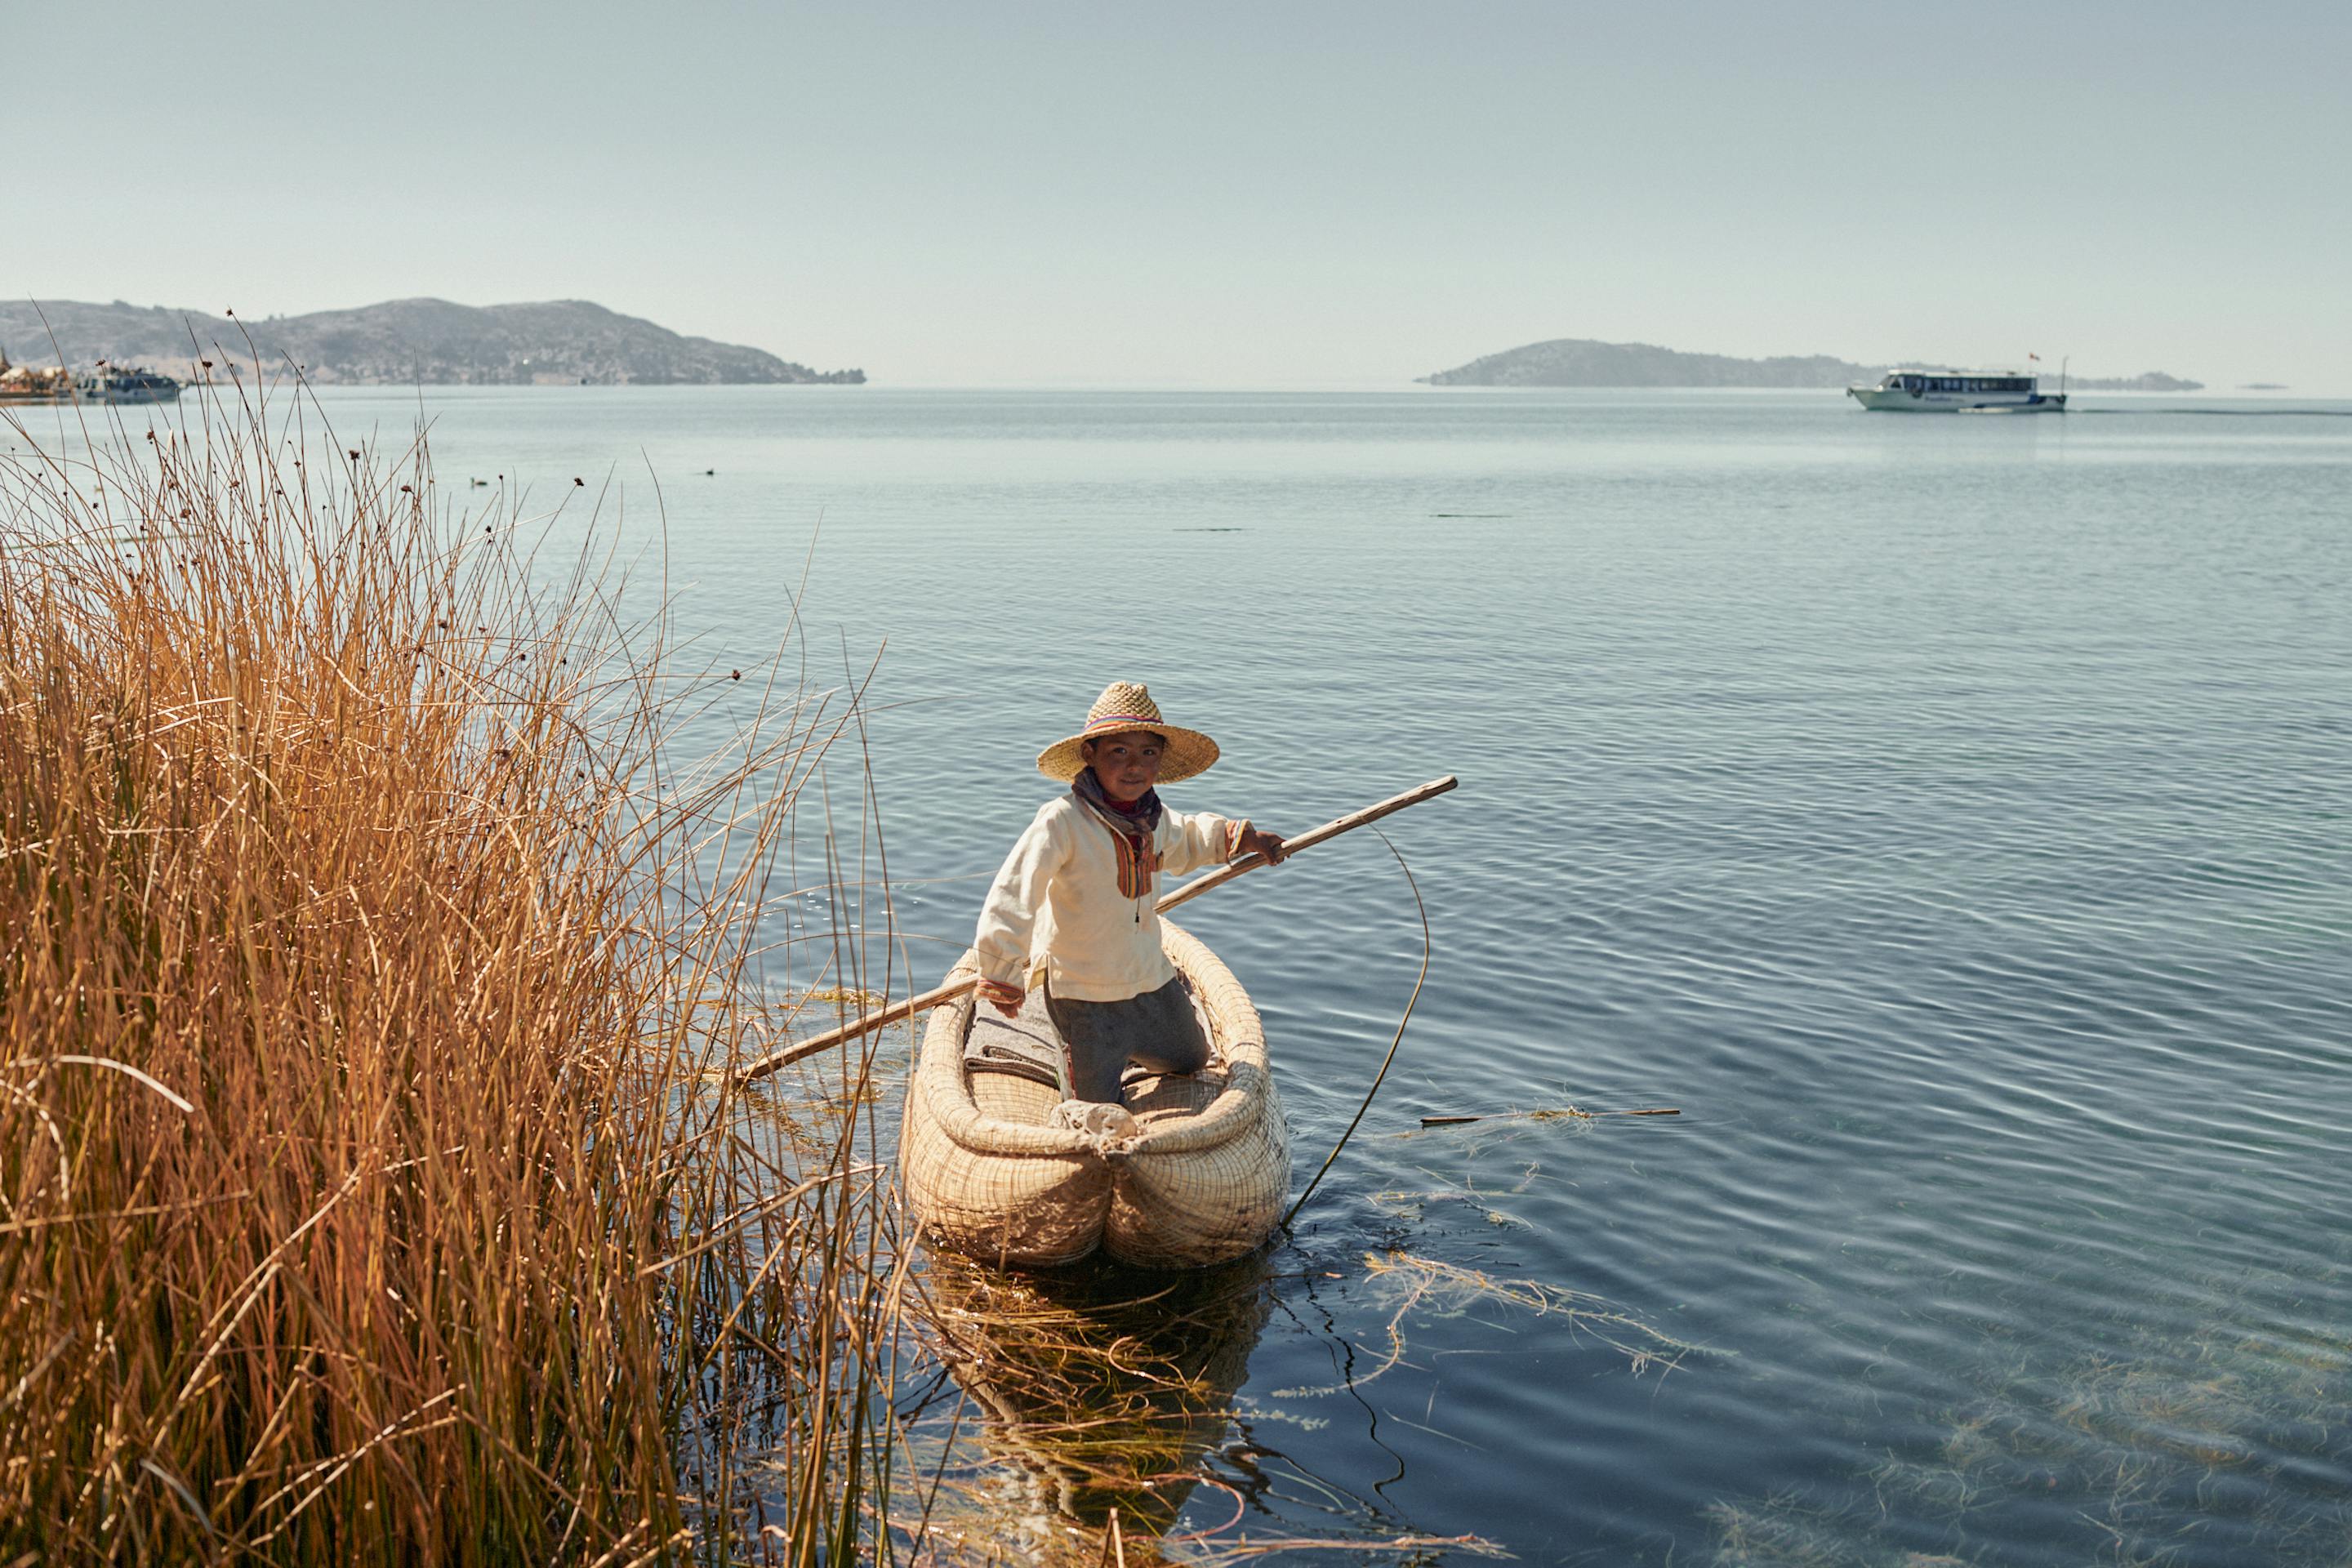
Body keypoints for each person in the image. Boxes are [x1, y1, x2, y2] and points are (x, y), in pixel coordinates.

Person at [973, 681, 1286, 1104]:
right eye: (1119, 752)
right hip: (1084, 992)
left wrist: (1244, 838)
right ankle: (1084, 1058)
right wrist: (1001, 970)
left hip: (1148, 979)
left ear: (1160, 761)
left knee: (1190, 1059)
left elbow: (1189, 838)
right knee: (1093, 1107)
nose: (1134, 767)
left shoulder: (1153, 818)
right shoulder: (1062, 822)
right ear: (1091, 755)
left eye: (1147, 754)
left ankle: (1133, 1050)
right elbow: (1014, 893)